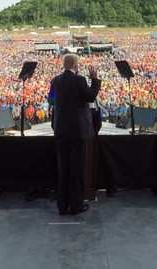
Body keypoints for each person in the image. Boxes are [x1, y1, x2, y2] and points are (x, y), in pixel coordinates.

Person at [51, 54, 101, 216]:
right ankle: (76, 205)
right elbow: (91, 96)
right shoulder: (79, 80)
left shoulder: (56, 80)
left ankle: (62, 206)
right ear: (75, 65)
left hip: (60, 130)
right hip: (77, 131)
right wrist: (94, 79)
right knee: (77, 168)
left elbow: (52, 100)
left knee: (63, 168)